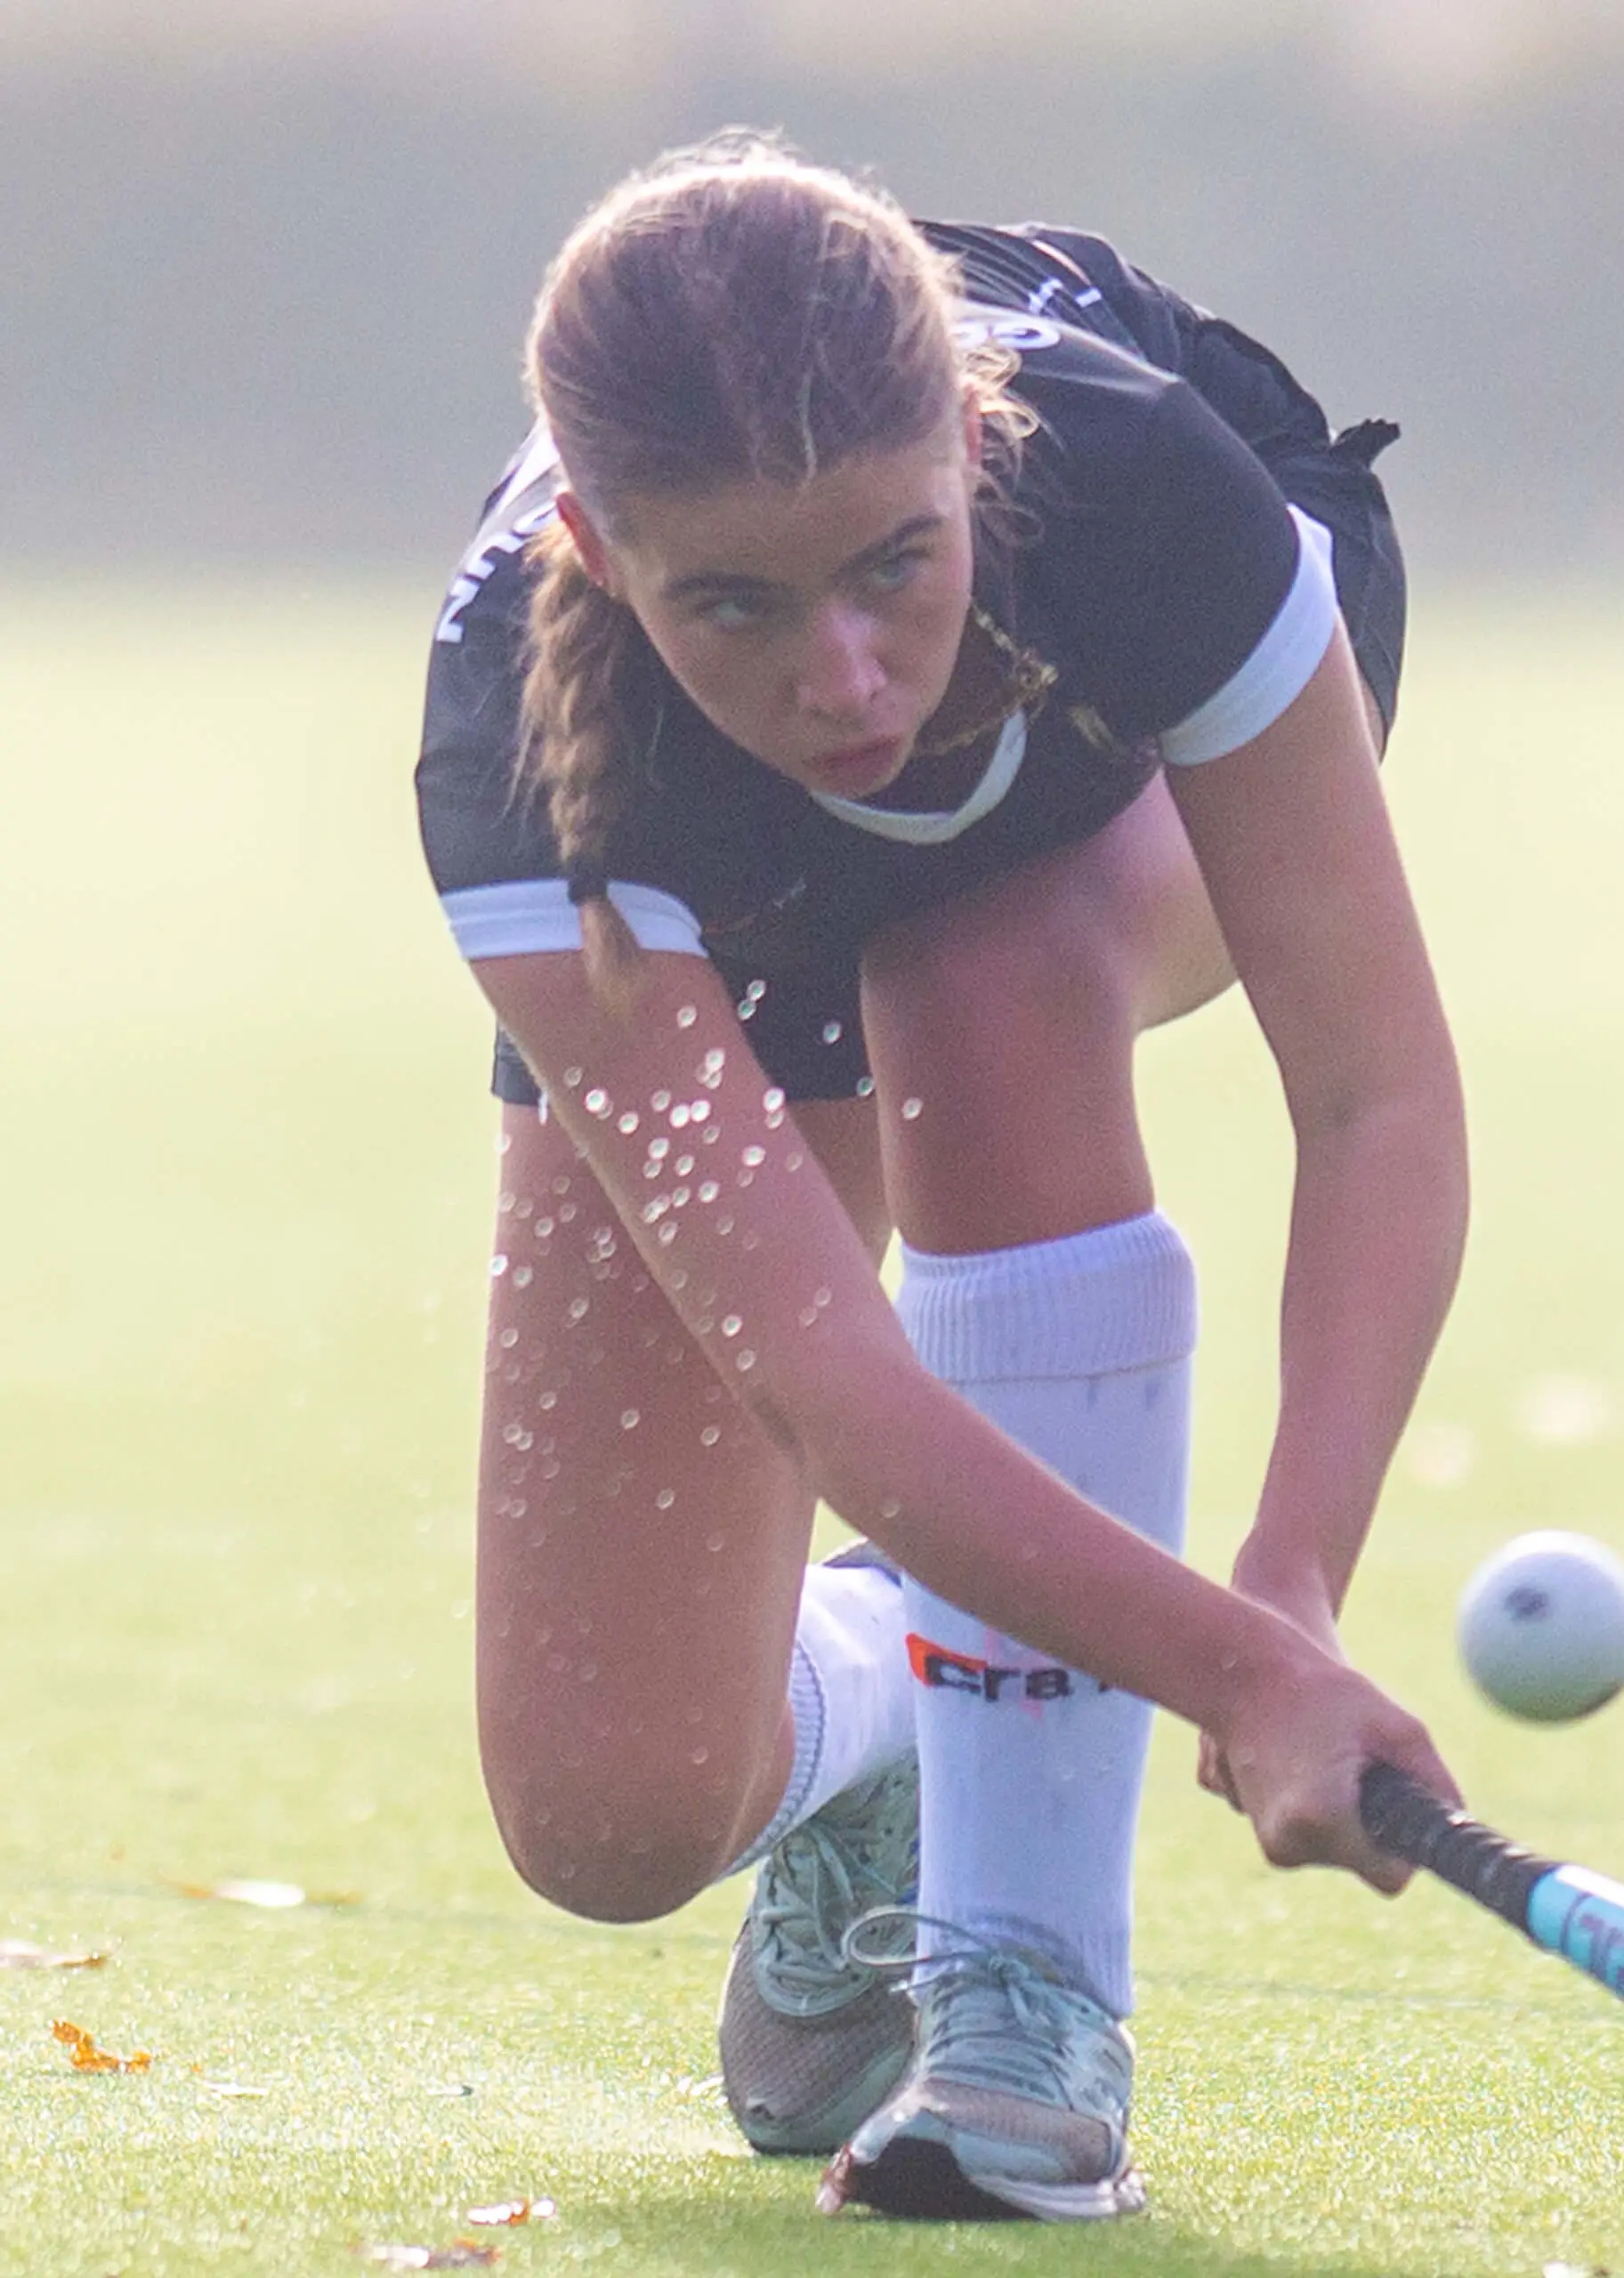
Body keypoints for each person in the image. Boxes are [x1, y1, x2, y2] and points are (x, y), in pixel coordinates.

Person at [415, 132, 1468, 2223]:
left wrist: (1294, 1576)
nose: (843, 674)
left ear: (971, 456)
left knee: (989, 983)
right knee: (609, 1812)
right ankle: (920, 1693)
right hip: (719, 883)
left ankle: (1023, 2010)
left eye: (892, 560)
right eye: (738, 599)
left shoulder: (1150, 493)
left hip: (1104, 762)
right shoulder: (523, 765)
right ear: (613, 570)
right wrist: (1227, 1672)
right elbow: (837, 1386)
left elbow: (1372, 1094)